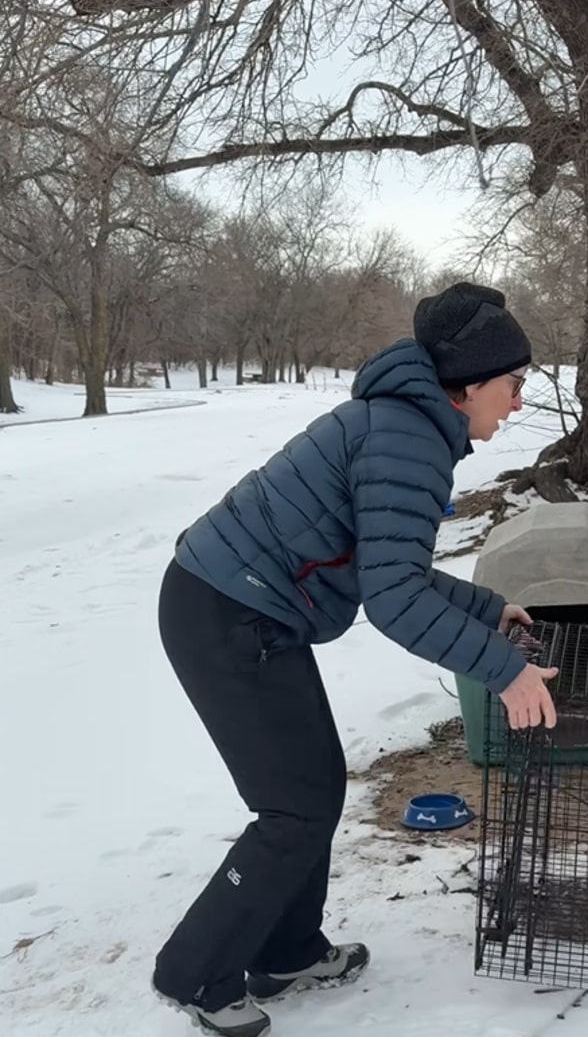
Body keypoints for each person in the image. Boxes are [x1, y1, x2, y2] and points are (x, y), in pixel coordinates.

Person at [151, 281, 559, 1037]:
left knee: (315, 789)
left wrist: (483, 608)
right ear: (469, 386)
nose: (519, 400)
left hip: (240, 606)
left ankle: (285, 952)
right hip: (226, 612)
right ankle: (194, 973)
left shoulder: (407, 426)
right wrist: (504, 673)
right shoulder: (407, 438)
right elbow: (394, 602)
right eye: (514, 383)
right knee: (294, 805)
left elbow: (388, 567)